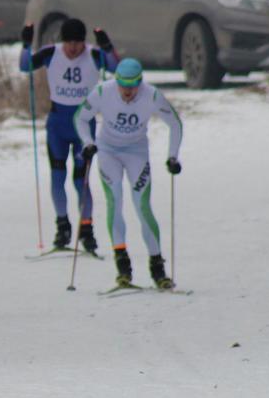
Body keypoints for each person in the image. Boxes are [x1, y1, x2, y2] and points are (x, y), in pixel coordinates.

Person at [75, 58, 183, 289]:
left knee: (142, 206)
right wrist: (87, 143)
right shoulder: (103, 91)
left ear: (140, 83)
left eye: (132, 87)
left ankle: (158, 269)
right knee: (114, 200)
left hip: (136, 153)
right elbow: (81, 118)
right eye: (123, 86)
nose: (127, 92)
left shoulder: (152, 95)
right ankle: (123, 268)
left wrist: (172, 156)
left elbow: (174, 123)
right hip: (108, 151)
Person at [20, 18, 118, 252]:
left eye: (78, 43)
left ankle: (86, 229)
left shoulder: (94, 55)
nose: (73, 48)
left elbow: (114, 67)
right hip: (57, 125)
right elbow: (25, 66)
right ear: (61, 41)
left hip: (84, 125)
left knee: (80, 179)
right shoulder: (51, 52)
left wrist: (107, 46)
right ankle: (62, 226)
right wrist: (26, 43)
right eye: (69, 43)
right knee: (57, 176)